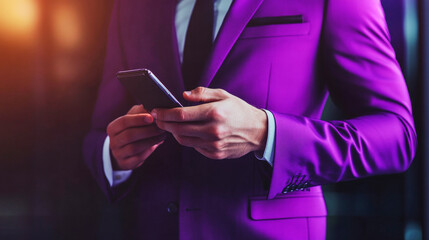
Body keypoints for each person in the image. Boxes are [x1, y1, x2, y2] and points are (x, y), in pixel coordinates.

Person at [83, 0, 417, 239]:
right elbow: (99, 131)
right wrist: (115, 156)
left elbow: (396, 135)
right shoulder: (131, 5)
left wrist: (265, 132)